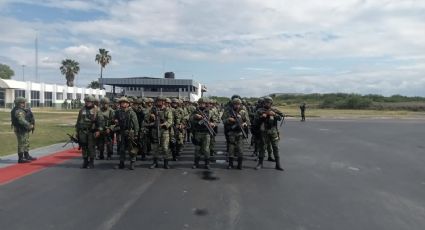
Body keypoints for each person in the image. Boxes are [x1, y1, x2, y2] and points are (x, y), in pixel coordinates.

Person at [254, 96, 284, 171]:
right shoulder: (259, 111)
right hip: (264, 132)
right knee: (262, 147)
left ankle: (278, 164)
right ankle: (260, 163)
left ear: (271, 103)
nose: (267, 104)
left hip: (273, 132)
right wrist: (262, 117)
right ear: (264, 103)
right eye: (266, 102)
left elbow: (280, 117)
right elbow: (255, 121)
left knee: (275, 147)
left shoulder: (274, 110)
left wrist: (274, 114)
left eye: (269, 103)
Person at [75, 95, 104, 168]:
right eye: (86, 101)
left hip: (92, 132)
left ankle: (91, 161)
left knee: (91, 147)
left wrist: (99, 131)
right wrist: (77, 131)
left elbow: (101, 122)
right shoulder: (82, 110)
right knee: (84, 146)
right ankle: (85, 161)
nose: (87, 103)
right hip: (82, 131)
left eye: (89, 102)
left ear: (93, 102)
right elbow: (78, 121)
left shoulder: (96, 110)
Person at [221, 98, 250, 169]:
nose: (237, 106)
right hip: (231, 133)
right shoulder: (228, 111)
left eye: (238, 104)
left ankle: (239, 165)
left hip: (240, 133)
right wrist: (229, 120)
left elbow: (248, 121)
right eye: (235, 104)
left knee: (240, 150)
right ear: (233, 104)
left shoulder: (243, 112)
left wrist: (244, 124)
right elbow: (223, 120)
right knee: (231, 149)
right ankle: (230, 164)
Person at [189, 98, 216, 169]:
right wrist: (195, 117)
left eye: (203, 103)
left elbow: (215, 120)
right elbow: (190, 119)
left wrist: (212, 124)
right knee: (197, 149)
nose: (202, 104)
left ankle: (207, 163)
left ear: (205, 104)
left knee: (206, 149)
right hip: (197, 132)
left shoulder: (210, 112)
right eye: (200, 103)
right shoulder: (195, 112)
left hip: (206, 133)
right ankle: (196, 163)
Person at [147, 96, 173, 169]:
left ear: (163, 102)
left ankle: (166, 163)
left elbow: (170, 121)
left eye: (161, 101)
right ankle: (155, 163)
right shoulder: (152, 109)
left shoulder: (167, 110)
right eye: (158, 101)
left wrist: (163, 124)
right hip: (155, 131)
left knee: (165, 148)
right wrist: (150, 116)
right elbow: (146, 119)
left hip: (164, 131)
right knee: (155, 148)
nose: (159, 102)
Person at [114, 97, 139, 170]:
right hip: (122, 132)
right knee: (122, 149)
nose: (123, 104)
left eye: (125, 102)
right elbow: (114, 119)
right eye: (122, 102)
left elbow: (136, 124)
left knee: (131, 149)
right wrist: (115, 121)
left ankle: (132, 163)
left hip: (130, 132)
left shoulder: (132, 112)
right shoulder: (118, 112)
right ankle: (121, 163)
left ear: (128, 104)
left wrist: (136, 134)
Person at [10, 97, 37, 163]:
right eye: (22, 103)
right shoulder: (18, 111)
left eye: (24, 102)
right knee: (21, 143)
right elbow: (21, 120)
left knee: (26, 142)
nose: (24, 104)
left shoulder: (21, 109)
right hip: (20, 129)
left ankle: (26, 155)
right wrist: (29, 125)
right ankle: (21, 158)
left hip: (24, 129)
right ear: (18, 103)